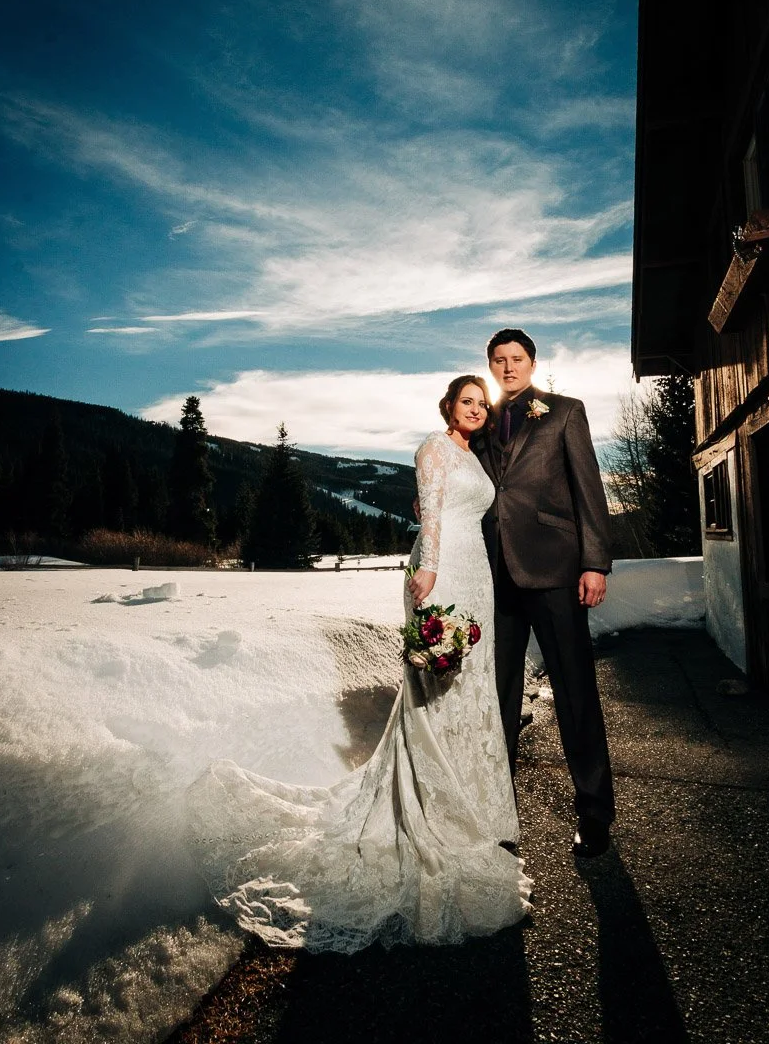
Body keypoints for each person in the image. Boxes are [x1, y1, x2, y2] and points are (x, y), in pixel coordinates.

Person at [189, 376, 532, 953]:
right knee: (436, 694)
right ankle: (433, 813)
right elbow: (432, 521)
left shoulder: (475, 454)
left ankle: (475, 807)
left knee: (471, 695)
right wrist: (427, 574)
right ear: (448, 405)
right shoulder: (433, 447)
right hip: (443, 572)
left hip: (478, 576)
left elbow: (460, 508)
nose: (474, 409)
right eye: (465, 401)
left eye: (481, 403)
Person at [470, 329, 615, 859]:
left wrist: (595, 562)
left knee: (576, 693)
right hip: (496, 576)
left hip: (556, 571)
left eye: (517, 359)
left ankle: (595, 814)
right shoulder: (482, 423)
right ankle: (497, 818)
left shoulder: (564, 413)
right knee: (498, 700)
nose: (508, 368)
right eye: (499, 360)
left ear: (532, 363)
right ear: (490, 366)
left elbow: (588, 489)